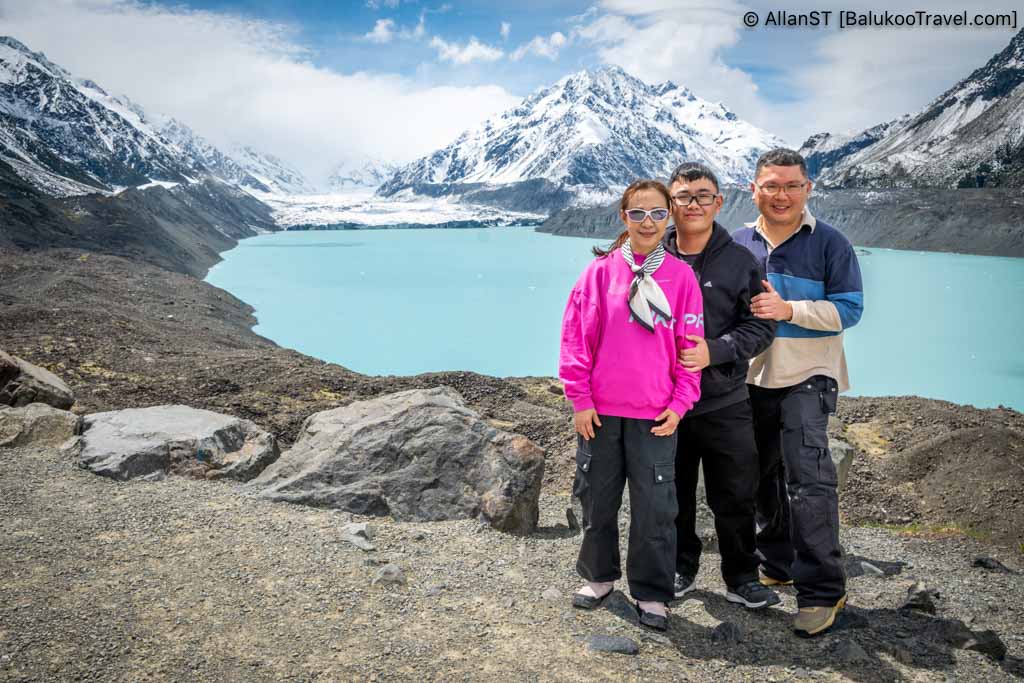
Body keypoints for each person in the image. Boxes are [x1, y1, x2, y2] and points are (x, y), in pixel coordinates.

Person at [559, 179, 704, 631]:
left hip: (656, 415)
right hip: (599, 414)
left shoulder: (681, 278)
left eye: (658, 213)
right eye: (638, 213)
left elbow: (690, 348)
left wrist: (681, 404)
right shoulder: (599, 274)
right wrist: (580, 400)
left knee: (656, 508)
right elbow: (575, 340)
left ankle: (651, 592)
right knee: (596, 498)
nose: (648, 222)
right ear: (624, 217)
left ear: (669, 219)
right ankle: (599, 576)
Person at [733, 148, 864, 637]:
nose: (781, 194)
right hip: (749, 376)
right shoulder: (738, 243)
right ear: (755, 190)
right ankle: (779, 561)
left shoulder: (831, 243)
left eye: (791, 185)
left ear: (807, 188)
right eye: (771, 185)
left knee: (809, 481)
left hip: (808, 373)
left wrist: (790, 310)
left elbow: (849, 310)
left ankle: (822, 591)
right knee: (760, 475)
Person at [661, 162, 779, 609]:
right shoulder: (652, 257)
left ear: (719, 202)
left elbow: (762, 326)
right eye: (684, 196)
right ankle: (680, 566)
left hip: (724, 400)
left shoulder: (741, 261)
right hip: (666, 403)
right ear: (671, 203)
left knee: (735, 493)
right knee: (672, 493)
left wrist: (719, 349)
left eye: (703, 196)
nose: (694, 204)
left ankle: (742, 577)